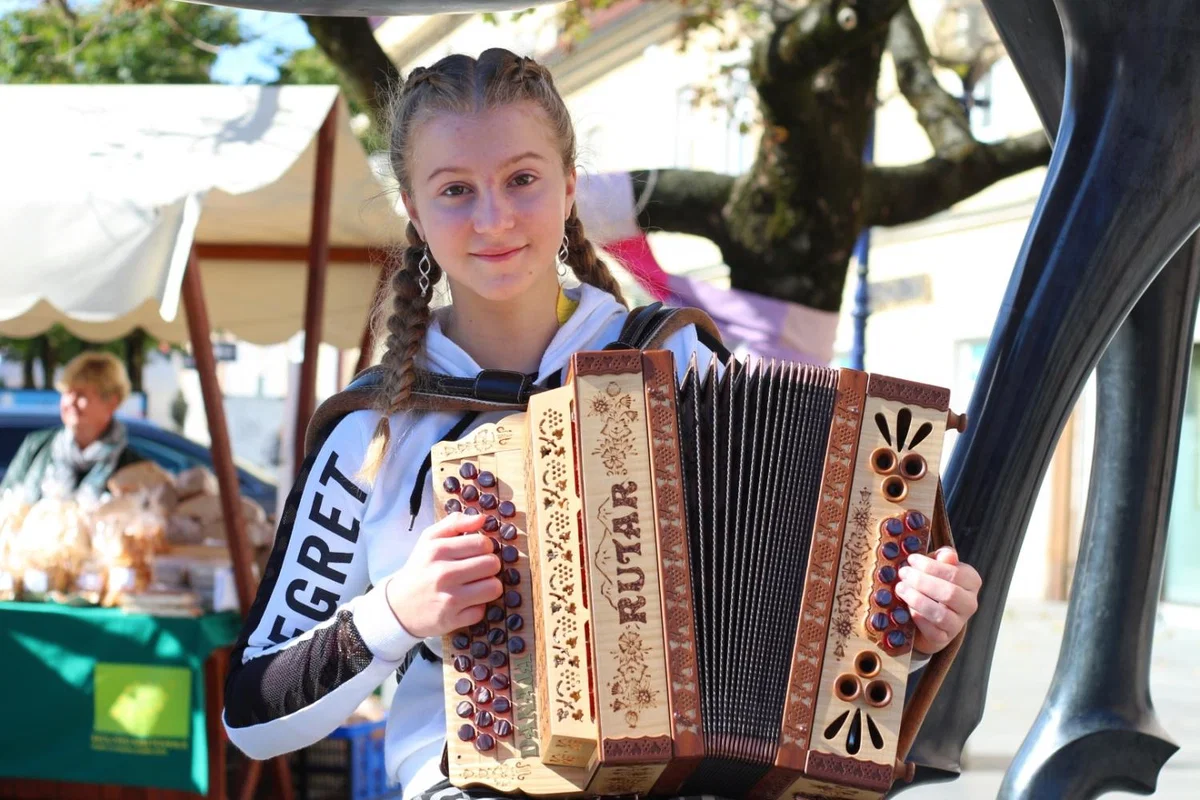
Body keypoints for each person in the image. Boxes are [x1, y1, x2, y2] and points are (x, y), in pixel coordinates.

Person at [221, 48, 983, 800]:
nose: (494, 217)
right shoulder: (373, 429)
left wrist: (906, 622)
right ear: (414, 212)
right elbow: (253, 713)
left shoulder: (676, 359)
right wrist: (398, 612)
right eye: (455, 190)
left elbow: (796, 603)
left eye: (522, 179)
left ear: (569, 187)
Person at [0, 351, 143, 504]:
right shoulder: (36, 446)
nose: (70, 402)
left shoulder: (132, 467)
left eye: (81, 395)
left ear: (112, 402)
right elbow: (5, 502)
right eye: (68, 392)